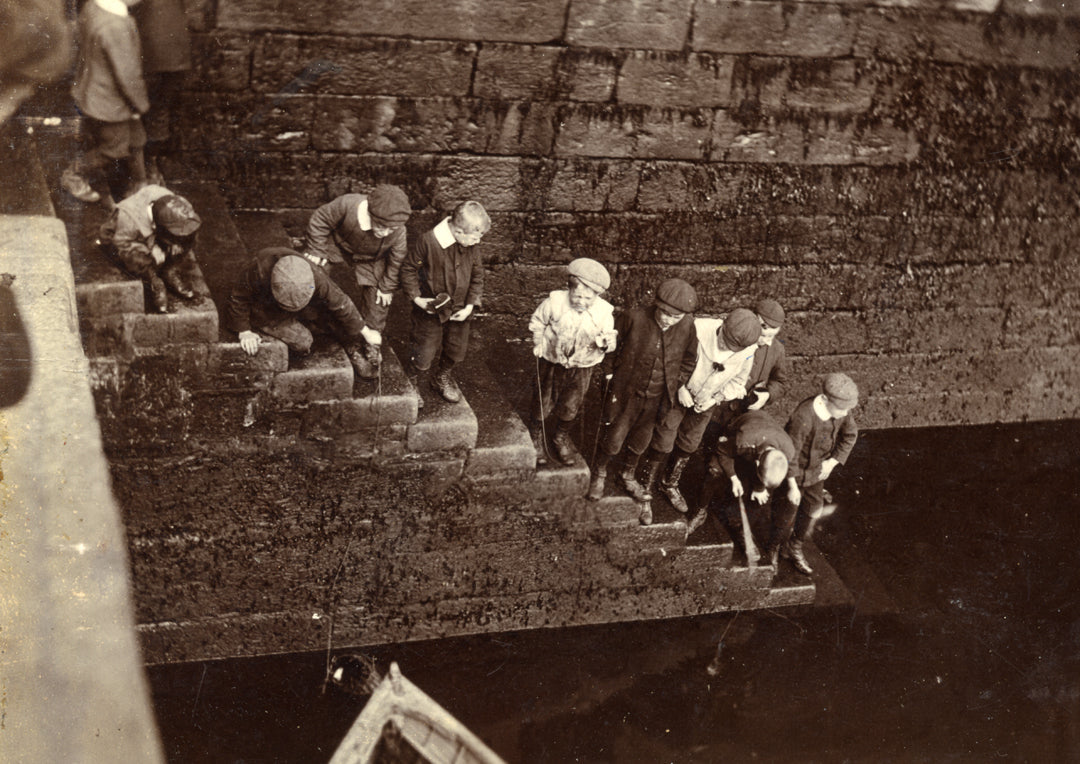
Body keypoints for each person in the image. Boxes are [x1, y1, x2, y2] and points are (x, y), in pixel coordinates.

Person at [587, 278, 697, 525]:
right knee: (615, 437)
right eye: (665, 313)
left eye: (675, 317)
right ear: (656, 304)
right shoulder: (634, 318)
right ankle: (600, 472)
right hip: (628, 393)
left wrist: (677, 382)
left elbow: (690, 359)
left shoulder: (688, 326)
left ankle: (627, 475)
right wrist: (608, 376)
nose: (668, 319)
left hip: (658, 398)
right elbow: (611, 349)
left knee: (641, 440)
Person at [640, 307, 762, 514]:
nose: (726, 348)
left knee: (690, 442)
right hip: (678, 392)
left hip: (706, 401)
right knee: (664, 438)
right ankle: (645, 488)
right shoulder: (696, 328)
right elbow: (670, 359)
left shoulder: (748, 351)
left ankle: (668, 483)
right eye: (725, 341)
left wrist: (715, 398)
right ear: (722, 324)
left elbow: (738, 381)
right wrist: (680, 387)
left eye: (734, 348)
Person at [224, 247, 383, 380]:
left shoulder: (314, 275)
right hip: (266, 309)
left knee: (331, 316)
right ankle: (294, 324)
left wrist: (365, 331)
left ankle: (352, 344)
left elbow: (340, 302)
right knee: (303, 343)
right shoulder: (257, 271)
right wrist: (244, 331)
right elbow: (238, 297)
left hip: (302, 301)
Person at [303, 186, 412, 377]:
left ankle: (370, 339)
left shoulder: (398, 231)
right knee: (316, 275)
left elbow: (396, 260)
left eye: (391, 229)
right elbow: (320, 219)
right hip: (337, 246)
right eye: (380, 226)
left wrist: (386, 287)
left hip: (371, 259)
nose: (385, 232)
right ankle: (319, 322)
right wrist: (317, 250)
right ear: (369, 212)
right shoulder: (348, 205)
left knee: (380, 295)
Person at [528, 258, 616, 465]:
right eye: (577, 296)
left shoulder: (604, 312)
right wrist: (538, 343)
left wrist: (605, 343)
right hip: (552, 359)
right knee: (544, 397)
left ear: (597, 296)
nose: (582, 302)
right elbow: (537, 322)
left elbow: (609, 340)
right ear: (569, 289)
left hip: (583, 365)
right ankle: (536, 434)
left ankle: (560, 436)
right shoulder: (553, 303)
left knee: (572, 402)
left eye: (588, 298)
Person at [400, 201, 488, 406]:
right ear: (458, 231)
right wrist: (416, 298)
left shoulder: (472, 245)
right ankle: (414, 382)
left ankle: (441, 377)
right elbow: (409, 269)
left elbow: (477, 275)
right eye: (474, 237)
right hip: (430, 310)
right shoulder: (428, 242)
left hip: (460, 310)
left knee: (456, 349)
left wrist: (469, 306)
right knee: (424, 350)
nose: (477, 242)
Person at [62, 0, 149, 204]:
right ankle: (73, 175)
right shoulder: (116, 25)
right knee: (114, 148)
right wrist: (140, 104)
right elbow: (128, 74)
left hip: (94, 90)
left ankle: (140, 183)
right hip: (109, 101)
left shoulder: (94, 6)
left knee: (137, 138)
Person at [772, 373, 859, 574]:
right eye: (841, 409)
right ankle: (773, 549)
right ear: (827, 400)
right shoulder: (803, 417)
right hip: (792, 472)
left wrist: (831, 462)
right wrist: (792, 486)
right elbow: (790, 453)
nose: (844, 414)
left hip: (817, 473)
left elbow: (850, 436)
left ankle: (793, 547)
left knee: (812, 509)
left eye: (847, 410)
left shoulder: (842, 412)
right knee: (784, 514)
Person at [688, 410, 800, 564]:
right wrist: (734, 478)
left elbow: (787, 465)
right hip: (732, 442)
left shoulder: (788, 449)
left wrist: (766, 488)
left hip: (762, 444)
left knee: (761, 496)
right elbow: (722, 450)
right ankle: (700, 510)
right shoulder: (744, 440)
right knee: (714, 470)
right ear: (757, 463)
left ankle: (741, 528)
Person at [98, 184, 200, 312]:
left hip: (153, 230)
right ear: (158, 226)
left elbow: (185, 223)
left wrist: (176, 243)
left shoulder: (169, 199)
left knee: (190, 235)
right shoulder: (126, 219)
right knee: (134, 257)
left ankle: (169, 270)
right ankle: (153, 280)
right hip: (127, 237)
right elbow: (120, 243)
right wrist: (151, 248)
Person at [709, 297, 791, 439]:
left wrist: (768, 395)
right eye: (764, 336)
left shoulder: (777, 350)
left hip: (744, 415)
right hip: (715, 409)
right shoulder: (733, 338)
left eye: (772, 337)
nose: (767, 342)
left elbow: (781, 382)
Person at [133, 0, 192, 184]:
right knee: (159, 111)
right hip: (174, 51)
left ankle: (139, 173)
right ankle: (149, 168)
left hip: (147, 49)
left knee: (135, 111)